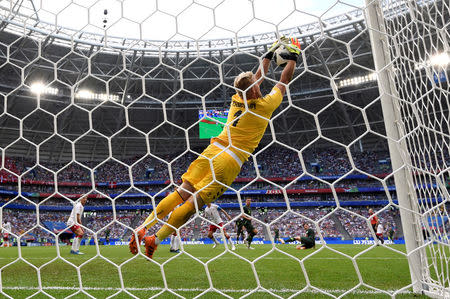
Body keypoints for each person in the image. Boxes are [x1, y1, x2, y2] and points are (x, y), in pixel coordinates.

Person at [128, 36, 301, 259]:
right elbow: (283, 82)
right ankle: (156, 239)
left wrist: (267, 55)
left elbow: (255, 80)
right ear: (256, 90)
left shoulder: (236, 100)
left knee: (181, 191)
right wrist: (293, 58)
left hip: (212, 150)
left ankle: (143, 226)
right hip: (229, 161)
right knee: (193, 204)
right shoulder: (265, 105)